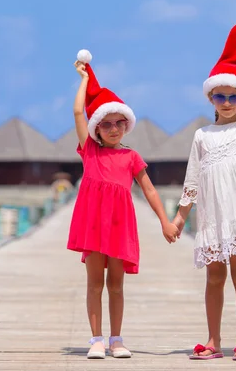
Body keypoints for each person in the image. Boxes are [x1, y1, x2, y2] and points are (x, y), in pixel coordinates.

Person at [67, 49, 179, 359]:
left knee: (116, 284)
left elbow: (150, 190)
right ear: (97, 128)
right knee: (94, 284)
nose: (113, 128)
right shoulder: (89, 151)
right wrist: (85, 80)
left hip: (119, 226)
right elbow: (78, 112)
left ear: (126, 126)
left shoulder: (130, 157)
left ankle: (116, 339)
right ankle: (96, 340)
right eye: (106, 124)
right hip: (93, 224)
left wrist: (165, 221)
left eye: (119, 123)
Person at [172, 18, 236, 361]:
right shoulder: (203, 136)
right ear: (211, 98)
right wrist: (179, 218)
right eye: (220, 96)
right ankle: (213, 340)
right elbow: (192, 181)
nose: (226, 101)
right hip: (213, 219)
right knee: (215, 277)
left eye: (233, 95)